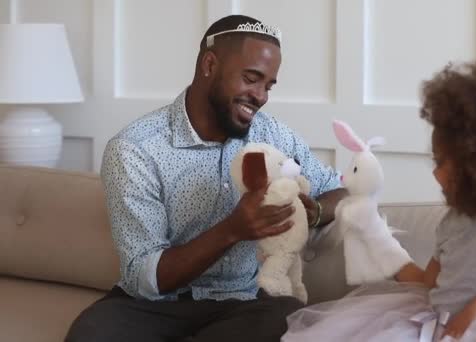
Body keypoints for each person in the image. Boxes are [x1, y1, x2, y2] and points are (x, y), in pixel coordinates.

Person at [66, 14, 346, 342]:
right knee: (91, 332)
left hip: (244, 304)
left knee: (287, 317)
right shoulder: (135, 148)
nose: (261, 96)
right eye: (251, 78)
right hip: (153, 306)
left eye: (268, 85)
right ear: (210, 65)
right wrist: (233, 229)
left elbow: (341, 192)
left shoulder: (273, 135)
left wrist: (313, 211)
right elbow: (145, 277)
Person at [282, 61, 476, 341]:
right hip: (429, 324)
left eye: (441, 161)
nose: (434, 172)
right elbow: (429, 283)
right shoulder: (455, 220)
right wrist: (379, 240)